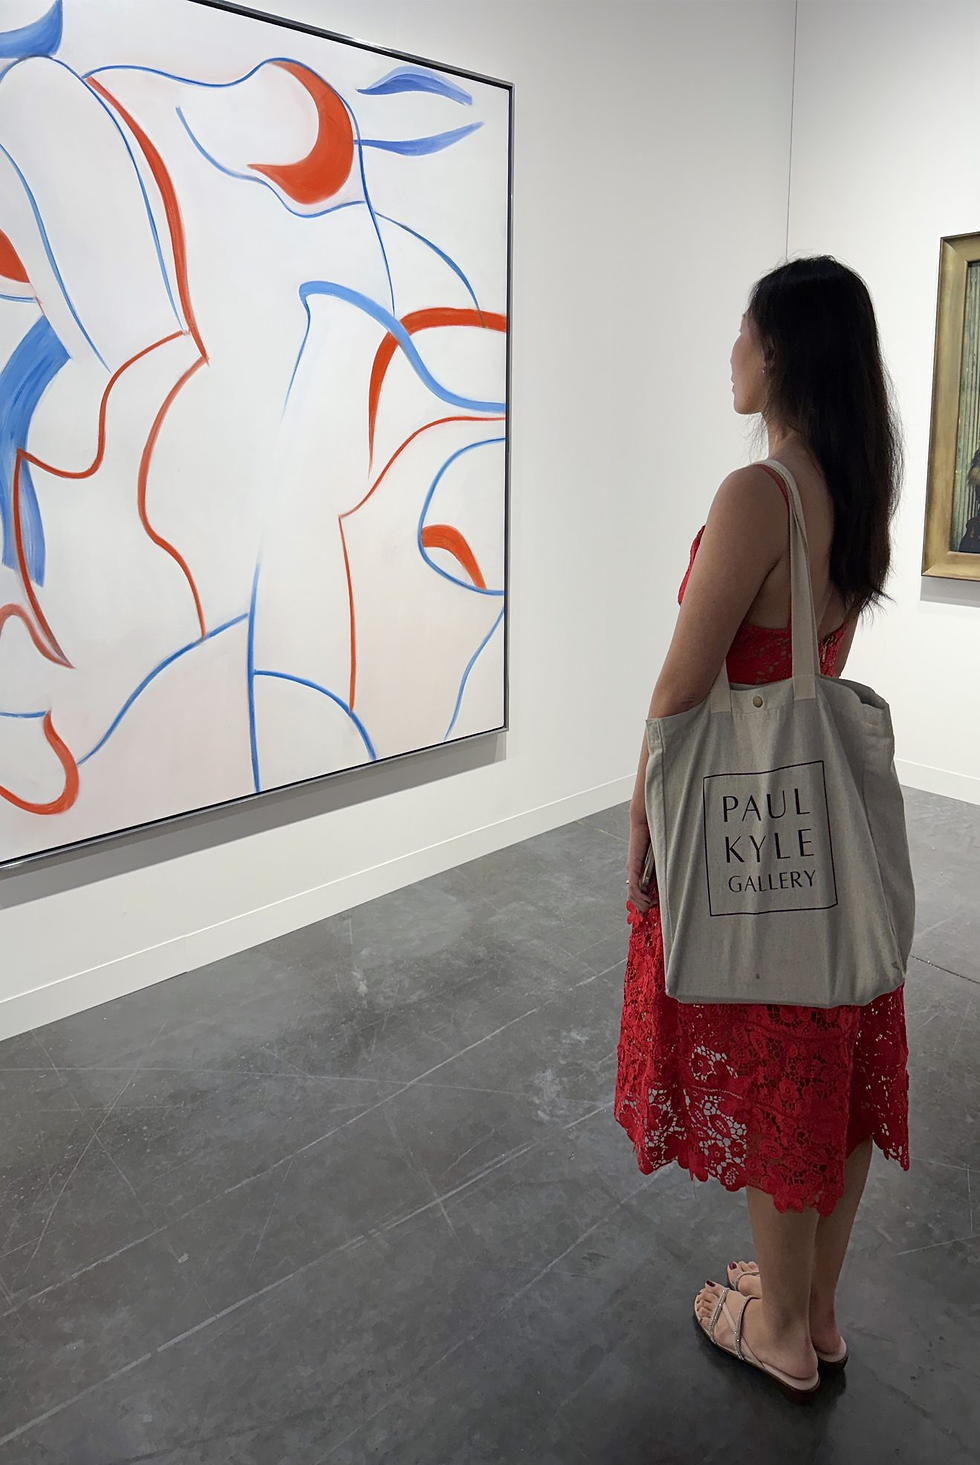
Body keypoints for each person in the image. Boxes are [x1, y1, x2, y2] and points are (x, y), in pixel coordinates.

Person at [614, 256, 911, 1400]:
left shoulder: (758, 495)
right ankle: (815, 1308)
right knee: (823, 1062)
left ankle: (776, 1329)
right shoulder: (848, 490)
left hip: (746, 842)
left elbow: (682, 687)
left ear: (775, 347)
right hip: (826, 841)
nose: (728, 349)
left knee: (771, 1067)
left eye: (740, 327)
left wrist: (636, 808)